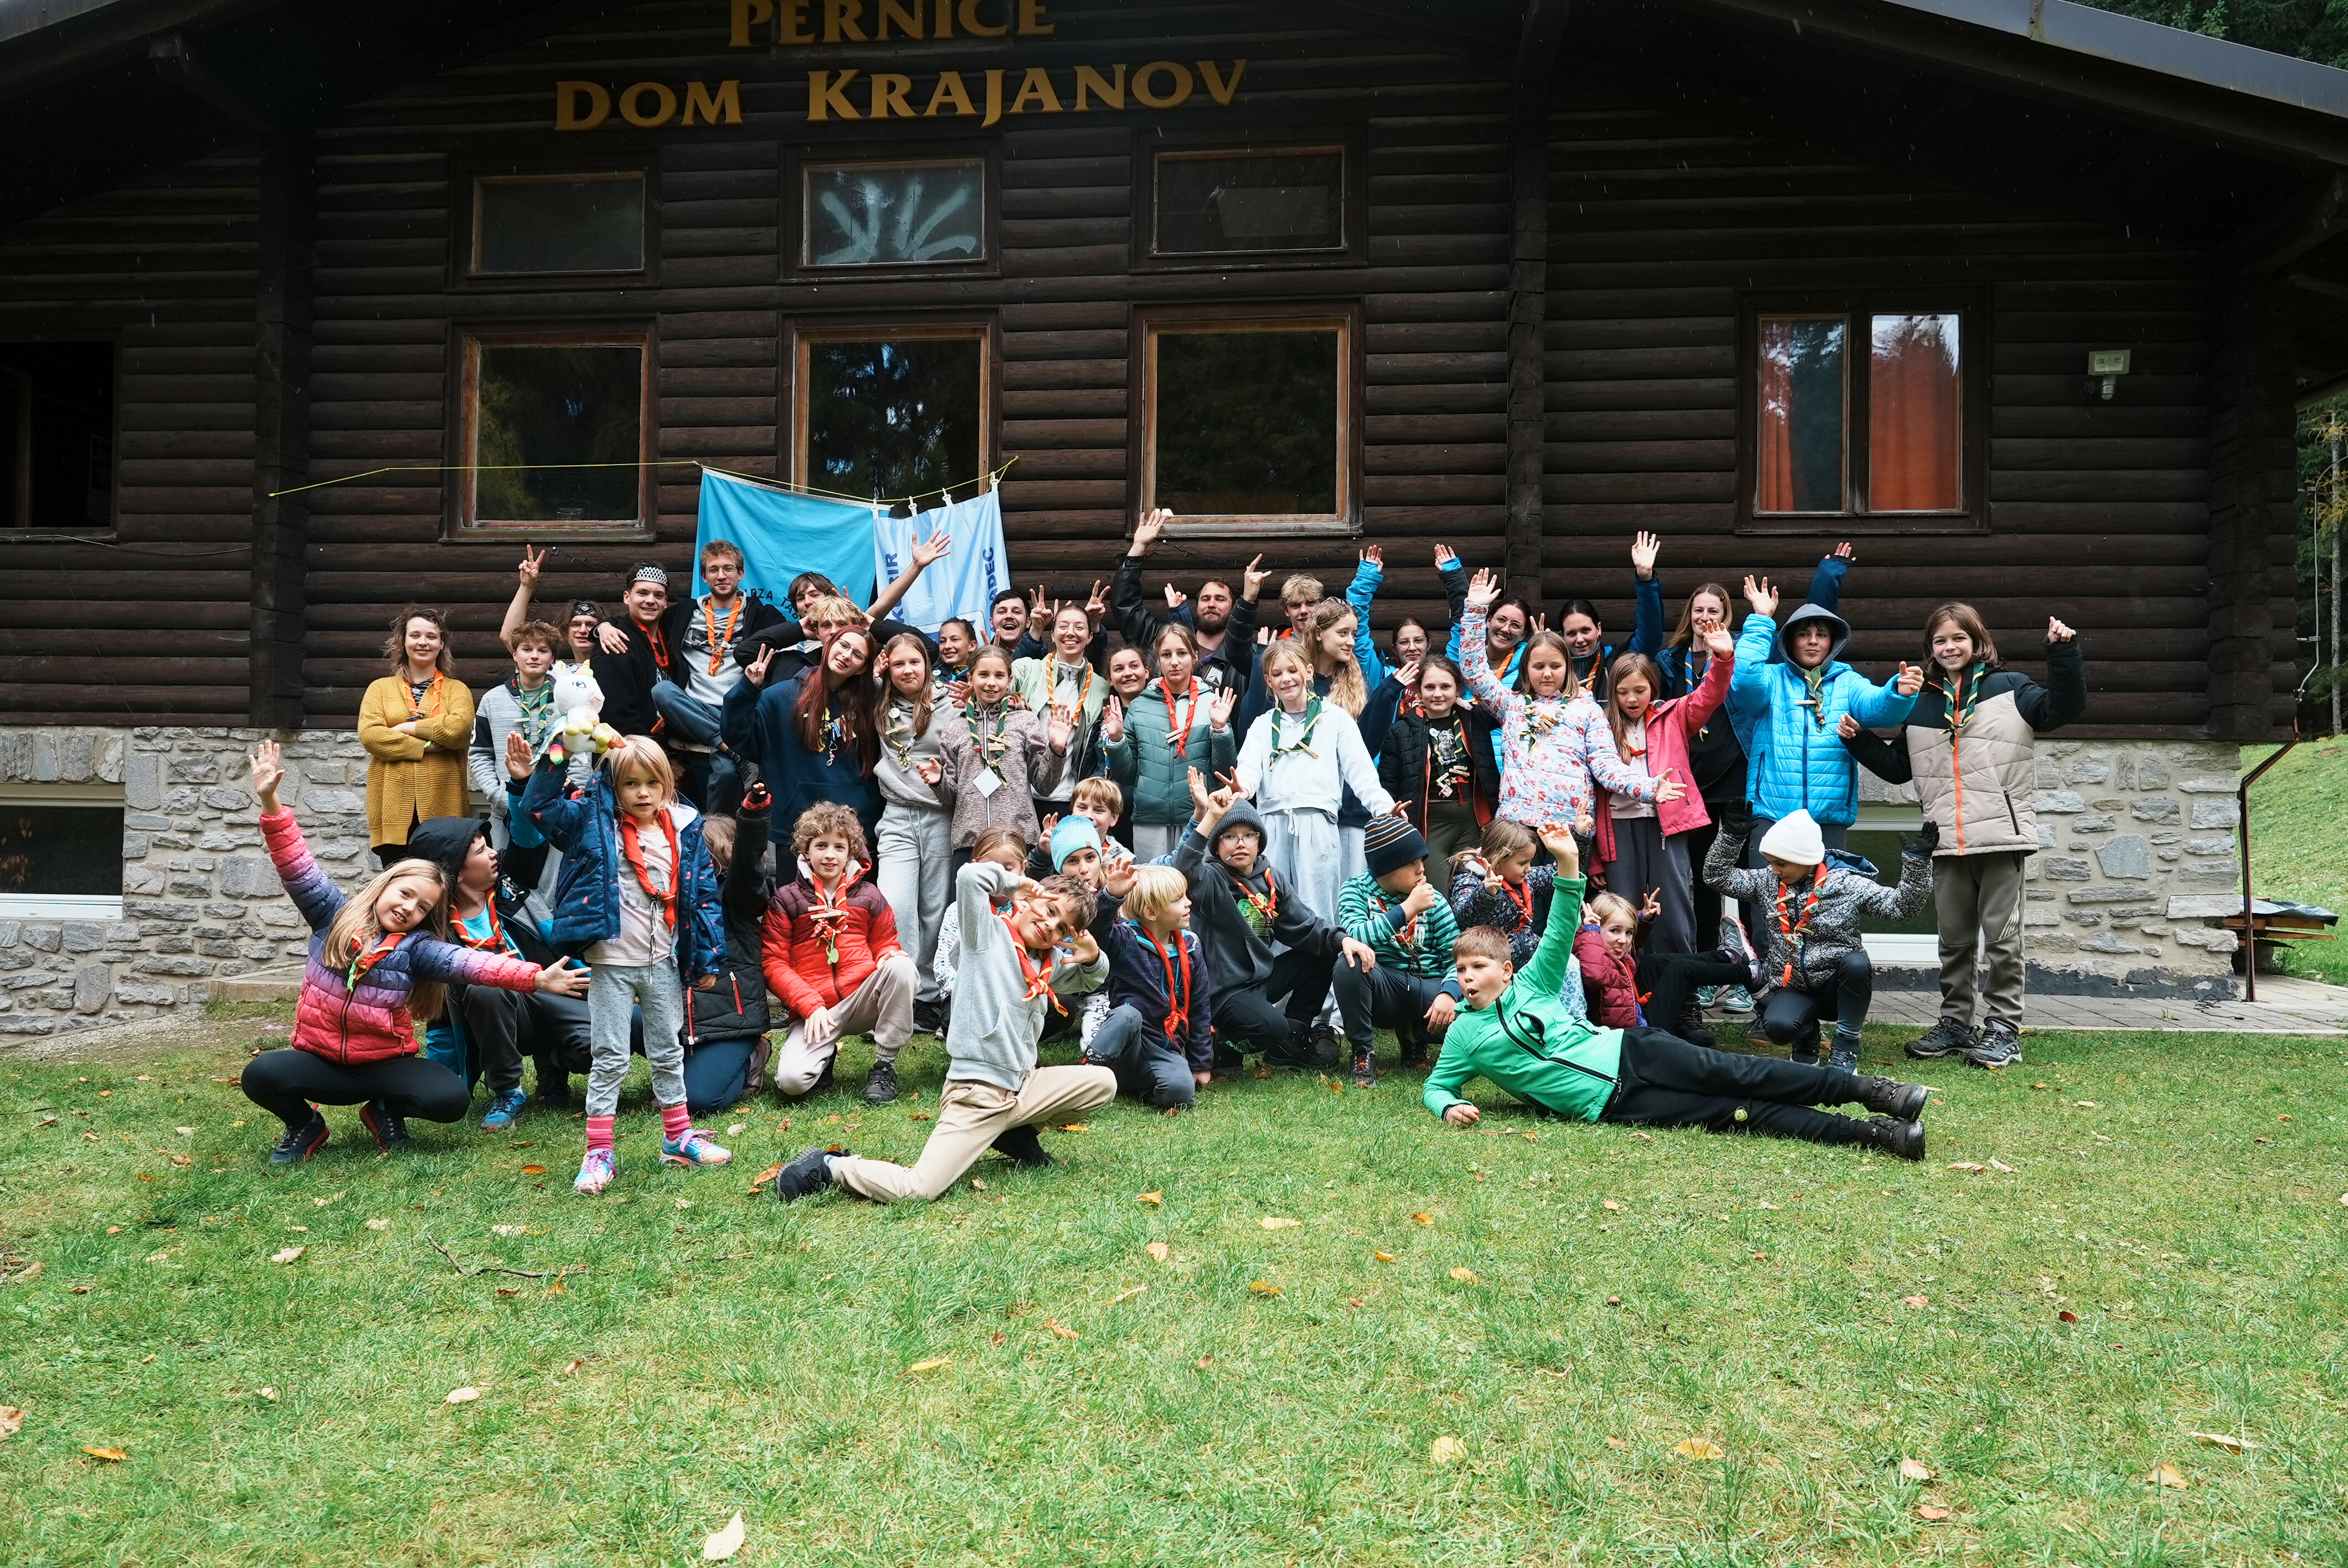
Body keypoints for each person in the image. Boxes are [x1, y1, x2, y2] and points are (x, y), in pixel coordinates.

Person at [1422, 827, 1933, 1160]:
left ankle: (1874, 1093)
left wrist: (1569, 864)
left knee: (1742, 1072)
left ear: (1507, 970)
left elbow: (1560, 931)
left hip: (1630, 1050)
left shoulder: (1533, 984)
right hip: (1617, 1103)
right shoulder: (1465, 1035)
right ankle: (1872, 1135)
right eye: (1461, 969)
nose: (1467, 977)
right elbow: (1437, 1087)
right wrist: (1447, 1107)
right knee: (1738, 1113)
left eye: (1478, 967)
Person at [238, 740, 588, 1164]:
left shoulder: (419, 947)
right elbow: (295, 862)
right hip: (321, 1062)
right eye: (405, 895)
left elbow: (472, 964)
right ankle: (306, 1125)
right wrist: (271, 800)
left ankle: (384, 1111)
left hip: (383, 1067)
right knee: (261, 1075)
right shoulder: (331, 915)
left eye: (423, 907)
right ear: (384, 887)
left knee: (450, 1100)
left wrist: (535, 977)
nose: (409, 908)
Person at [769, 865, 1111, 1204]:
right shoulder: (986, 935)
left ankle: (1016, 1133)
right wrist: (1015, 882)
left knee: (1103, 1083)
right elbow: (969, 877)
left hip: (1022, 1088)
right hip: (977, 1094)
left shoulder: (1046, 962)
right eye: (1050, 910)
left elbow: (1088, 979)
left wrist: (1095, 957)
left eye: (1062, 927)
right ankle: (831, 1166)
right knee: (917, 1189)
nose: (1050, 925)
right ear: (1028, 900)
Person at [1841, 607, 2087, 1069]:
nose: (1949, 648)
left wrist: (2064, 652)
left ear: (1977, 641)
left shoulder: (2010, 688)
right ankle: (1955, 1023)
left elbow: (2063, 709)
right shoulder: (1922, 702)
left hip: (2001, 837)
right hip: (1947, 841)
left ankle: (2003, 1029)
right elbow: (1898, 770)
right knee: (1953, 941)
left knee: (2002, 940)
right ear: (1930, 648)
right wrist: (1860, 741)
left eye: (1958, 638)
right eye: (1939, 641)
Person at [521, 736, 729, 1196]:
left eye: (652, 782)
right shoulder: (590, 823)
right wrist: (561, 746)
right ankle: (599, 1152)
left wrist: (708, 958)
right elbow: (537, 807)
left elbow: (705, 899)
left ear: (667, 782)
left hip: (664, 964)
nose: (642, 793)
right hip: (611, 963)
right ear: (612, 785)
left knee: (668, 1050)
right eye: (629, 783)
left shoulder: (686, 827)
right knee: (610, 1056)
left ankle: (678, 1137)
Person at [406, 733, 595, 1130]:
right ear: (454, 871)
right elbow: (441, 1015)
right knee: (485, 988)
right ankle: (509, 1091)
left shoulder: (511, 881)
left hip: (555, 995)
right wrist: (449, 1083)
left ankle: (554, 1064)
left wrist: (522, 783)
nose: (493, 853)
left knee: (607, 1042)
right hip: (494, 1015)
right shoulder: (434, 932)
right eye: (479, 851)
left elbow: (527, 834)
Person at [1702, 809, 1934, 1073]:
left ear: (1805, 859)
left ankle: (1845, 1049)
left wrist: (1917, 863)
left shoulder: (1847, 884)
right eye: (1771, 862)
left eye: (1781, 863)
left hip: (1838, 988)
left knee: (1857, 963)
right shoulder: (1767, 881)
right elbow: (1716, 877)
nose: (1774, 870)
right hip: (1794, 985)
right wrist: (1731, 837)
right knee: (1778, 1028)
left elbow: (1901, 908)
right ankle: (1806, 1041)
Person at [1458, 570, 1679, 842]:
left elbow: (1606, 765)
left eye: (1555, 666)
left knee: (1566, 887)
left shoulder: (1587, 710)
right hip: (1515, 826)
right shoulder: (1511, 705)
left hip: (1569, 829)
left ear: (1568, 667)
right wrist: (1475, 612)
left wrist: (1648, 787)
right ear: (1527, 669)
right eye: (1539, 666)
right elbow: (1475, 672)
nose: (1547, 674)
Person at [1176, 775, 1375, 1069]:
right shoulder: (1210, 879)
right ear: (1217, 845)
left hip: (1261, 978)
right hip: (1223, 990)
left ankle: (1288, 1044)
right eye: (1230, 836)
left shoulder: (1272, 879)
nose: (1240, 843)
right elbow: (1183, 867)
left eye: (1249, 836)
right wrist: (1210, 818)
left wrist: (1343, 939)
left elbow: (1305, 925)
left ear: (1260, 842)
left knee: (1325, 955)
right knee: (1270, 1027)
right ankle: (1226, 1042)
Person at [1727, 573, 1921, 864]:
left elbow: (1879, 709)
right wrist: (1761, 620)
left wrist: (1898, 692)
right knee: (1769, 904)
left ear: (1833, 642)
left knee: (1826, 905)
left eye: (1822, 635)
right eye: (1804, 634)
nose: (1813, 642)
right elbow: (1744, 678)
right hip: (1772, 812)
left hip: (1827, 816)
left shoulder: (1847, 681)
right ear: (1790, 642)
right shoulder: (1771, 679)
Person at [1235, 639, 1397, 973]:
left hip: (1318, 825)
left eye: (1293, 670)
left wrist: (1384, 809)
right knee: (1271, 910)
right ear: (1268, 680)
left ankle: (1327, 1013)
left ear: (1308, 671)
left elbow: (1362, 773)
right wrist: (1242, 788)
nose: (1286, 679)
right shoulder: (1263, 725)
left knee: (1319, 911)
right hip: (1271, 826)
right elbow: (1248, 771)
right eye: (1277, 673)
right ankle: (1275, 1006)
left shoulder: (1335, 719)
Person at [763, 802, 919, 1105]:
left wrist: (888, 954)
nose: (830, 855)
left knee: (901, 966)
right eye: (821, 845)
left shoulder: (870, 895)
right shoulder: (786, 898)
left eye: (839, 846)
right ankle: (823, 1059)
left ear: (851, 852)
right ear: (806, 851)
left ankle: (885, 1064)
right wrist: (809, 1005)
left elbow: (886, 942)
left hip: (862, 998)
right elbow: (773, 962)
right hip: (817, 1010)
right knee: (792, 1082)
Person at [616, 540, 786, 813]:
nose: (721, 575)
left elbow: (797, 633)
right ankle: (733, 749)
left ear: (740, 574)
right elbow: (637, 618)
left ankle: (714, 835)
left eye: (729, 569)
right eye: (713, 569)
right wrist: (601, 627)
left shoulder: (763, 615)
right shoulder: (682, 614)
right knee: (662, 692)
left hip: (736, 710)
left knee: (727, 774)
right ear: (704, 576)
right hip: (691, 710)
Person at [1591, 633, 1734, 955]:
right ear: (1612, 693)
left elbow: (1710, 696)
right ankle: (1627, 984)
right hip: (1617, 827)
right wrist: (1596, 858)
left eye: (1640, 691)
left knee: (1673, 900)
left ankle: (1680, 985)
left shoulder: (1674, 714)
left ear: (1653, 689)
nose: (1632, 699)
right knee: (1623, 905)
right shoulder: (1600, 724)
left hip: (1666, 823)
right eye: (1623, 692)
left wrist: (1724, 659)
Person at [1333, 814, 1466, 1086]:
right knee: (1350, 962)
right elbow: (1356, 935)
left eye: (1422, 862)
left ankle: (1414, 1035)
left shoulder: (1434, 899)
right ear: (1387, 868)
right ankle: (1362, 1050)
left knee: (1469, 1018)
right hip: (1384, 987)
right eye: (1412, 864)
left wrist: (1450, 994)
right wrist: (1407, 910)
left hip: (1427, 986)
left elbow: (1456, 957)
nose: (1422, 870)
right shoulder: (1355, 890)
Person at [725, 621, 883, 842]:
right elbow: (739, 738)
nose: (847, 655)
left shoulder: (871, 705)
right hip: (795, 826)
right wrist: (747, 689)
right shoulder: (782, 696)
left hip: (855, 828)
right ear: (829, 645)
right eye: (844, 645)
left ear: (864, 668)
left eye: (858, 655)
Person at [873, 631, 957, 1036]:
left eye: (915, 662)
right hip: (897, 816)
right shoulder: (876, 698)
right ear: (887, 667)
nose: (908, 670)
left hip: (941, 815)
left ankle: (925, 998)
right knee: (896, 904)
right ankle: (895, 993)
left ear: (928, 665)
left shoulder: (953, 702)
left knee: (935, 908)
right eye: (899, 663)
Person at [1083, 863, 1215, 1111]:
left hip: (1164, 1049)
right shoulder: (1125, 940)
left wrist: (1201, 1063)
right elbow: (1097, 928)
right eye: (1178, 899)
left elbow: (1200, 1007)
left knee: (1181, 1094)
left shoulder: (1192, 947)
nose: (1188, 903)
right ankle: (1088, 1076)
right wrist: (1112, 896)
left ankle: (1133, 1084)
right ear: (1152, 913)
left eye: (1186, 896)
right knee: (1127, 1014)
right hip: (1127, 1043)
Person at [1105, 623, 1239, 862]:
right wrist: (1116, 740)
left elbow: (1223, 769)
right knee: (1155, 889)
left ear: (1195, 657)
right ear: (1158, 660)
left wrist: (1220, 728)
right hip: (1150, 818)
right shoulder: (1140, 706)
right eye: (1166, 655)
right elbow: (1126, 775)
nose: (1174, 662)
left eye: (1182, 654)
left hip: (1200, 814)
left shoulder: (1212, 702)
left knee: (1196, 885)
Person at [680, 787, 776, 1117]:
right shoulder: (670, 896)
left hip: (729, 1023)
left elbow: (747, 868)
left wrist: (752, 819)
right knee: (613, 1025)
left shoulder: (736, 898)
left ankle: (753, 1054)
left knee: (700, 1101)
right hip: (681, 1020)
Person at [359, 606, 475, 868]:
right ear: (403, 642)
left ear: (441, 643)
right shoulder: (379, 689)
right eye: (415, 636)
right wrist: (426, 746)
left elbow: (458, 731)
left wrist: (404, 728)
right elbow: (371, 735)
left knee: (443, 886)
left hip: (443, 805)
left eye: (431, 636)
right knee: (398, 885)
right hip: (392, 804)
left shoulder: (458, 690)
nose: (423, 642)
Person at [1364, 653, 1499, 871]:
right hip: (1429, 827)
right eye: (1430, 687)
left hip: (1474, 824)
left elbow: (1504, 701)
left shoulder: (1476, 720)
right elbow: (1388, 783)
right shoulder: (1401, 730)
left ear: (1458, 689)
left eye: (1445, 687)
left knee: (1474, 891)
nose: (1438, 694)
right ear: (1419, 691)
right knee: (1439, 895)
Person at [940, 644, 1072, 866]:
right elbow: (952, 798)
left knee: (1018, 901)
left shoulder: (1025, 721)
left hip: (1017, 837)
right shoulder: (953, 729)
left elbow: (1044, 785)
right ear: (970, 678)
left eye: (999, 676)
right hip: (971, 841)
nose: (992, 683)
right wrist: (938, 781)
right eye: (984, 675)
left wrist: (1056, 750)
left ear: (1009, 680)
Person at [1111, 507, 1265, 693]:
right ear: (1197, 605)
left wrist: (1248, 598)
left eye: (1220, 599)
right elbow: (1126, 607)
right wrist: (1138, 548)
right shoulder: (1161, 643)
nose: (1211, 604)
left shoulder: (1245, 657)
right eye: (1206, 599)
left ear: (1233, 608)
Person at [467, 618, 562, 858]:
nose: (534, 656)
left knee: (553, 884)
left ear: (552, 658)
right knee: (505, 876)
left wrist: (567, 799)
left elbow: (580, 754)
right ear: (515, 655)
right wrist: (498, 796)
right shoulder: (492, 700)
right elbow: (480, 754)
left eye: (543, 650)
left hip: (555, 810)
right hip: (506, 810)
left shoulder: (566, 698)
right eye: (527, 649)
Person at [1013, 600, 1114, 822]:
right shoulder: (1026, 670)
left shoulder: (1101, 688)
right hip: (1023, 796)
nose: (1071, 633)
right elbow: (996, 685)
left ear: (1089, 637)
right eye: (1063, 626)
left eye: (1079, 627)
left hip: (1071, 799)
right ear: (1053, 634)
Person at [932, 826, 1028, 996]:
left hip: (1013, 996)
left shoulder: (1029, 910)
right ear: (974, 866)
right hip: (966, 994)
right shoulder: (957, 911)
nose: (1000, 877)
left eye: (1007, 869)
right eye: (990, 868)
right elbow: (943, 966)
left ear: (1022, 868)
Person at [585, 566, 677, 740]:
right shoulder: (615, 642)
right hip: (632, 753)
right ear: (627, 597)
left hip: (673, 748)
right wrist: (657, 754)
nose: (650, 601)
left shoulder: (672, 634)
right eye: (642, 593)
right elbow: (616, 716)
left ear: (665, 602)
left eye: (658, 595)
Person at [1436, 544, 1529, 688]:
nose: (1505, 629)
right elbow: (1464, 626)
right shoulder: (1466, 653)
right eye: (1501, 620)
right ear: (1488, 621)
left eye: (1515, 625)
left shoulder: (1529, 663)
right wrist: (1455, 579)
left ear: (1524, 634)